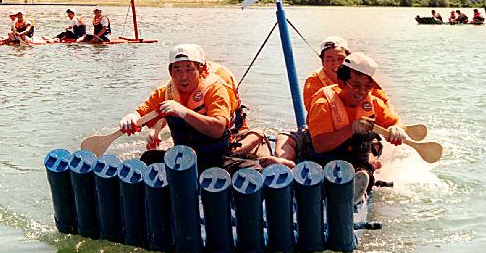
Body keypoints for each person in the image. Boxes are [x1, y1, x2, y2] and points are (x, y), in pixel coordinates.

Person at [266, 52, 407, 194]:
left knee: (364, 167)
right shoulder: (323, 103)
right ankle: (286, 165)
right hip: (320, 154)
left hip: (355, 155)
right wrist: (351, 128)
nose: (362, 91)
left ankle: (359, 183)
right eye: (357, 86)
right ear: (341, 83)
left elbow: (393, 121)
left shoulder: (373, 102)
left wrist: (396, 128)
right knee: (285, 137)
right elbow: (320, 146)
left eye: (367, 86)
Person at [119, 44, 259, 173]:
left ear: (201, 69)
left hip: (217, 158)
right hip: (182, 159)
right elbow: (141, 112)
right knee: (148, 159)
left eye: (189, 69)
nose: (183, 76)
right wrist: (132, 117)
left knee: (252, 170)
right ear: (170, 72)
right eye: (177, 69)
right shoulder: (164, 92)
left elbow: (218, 129)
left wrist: (183, 111)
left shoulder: (215, 89)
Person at [303, 36, 392, 113]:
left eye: (340, 58)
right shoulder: (313, 82)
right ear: (322, 61)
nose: (335, 63)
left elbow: (385, 103)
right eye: (329, 59)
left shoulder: (362, 77)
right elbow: (313, 113)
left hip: (365, 122)